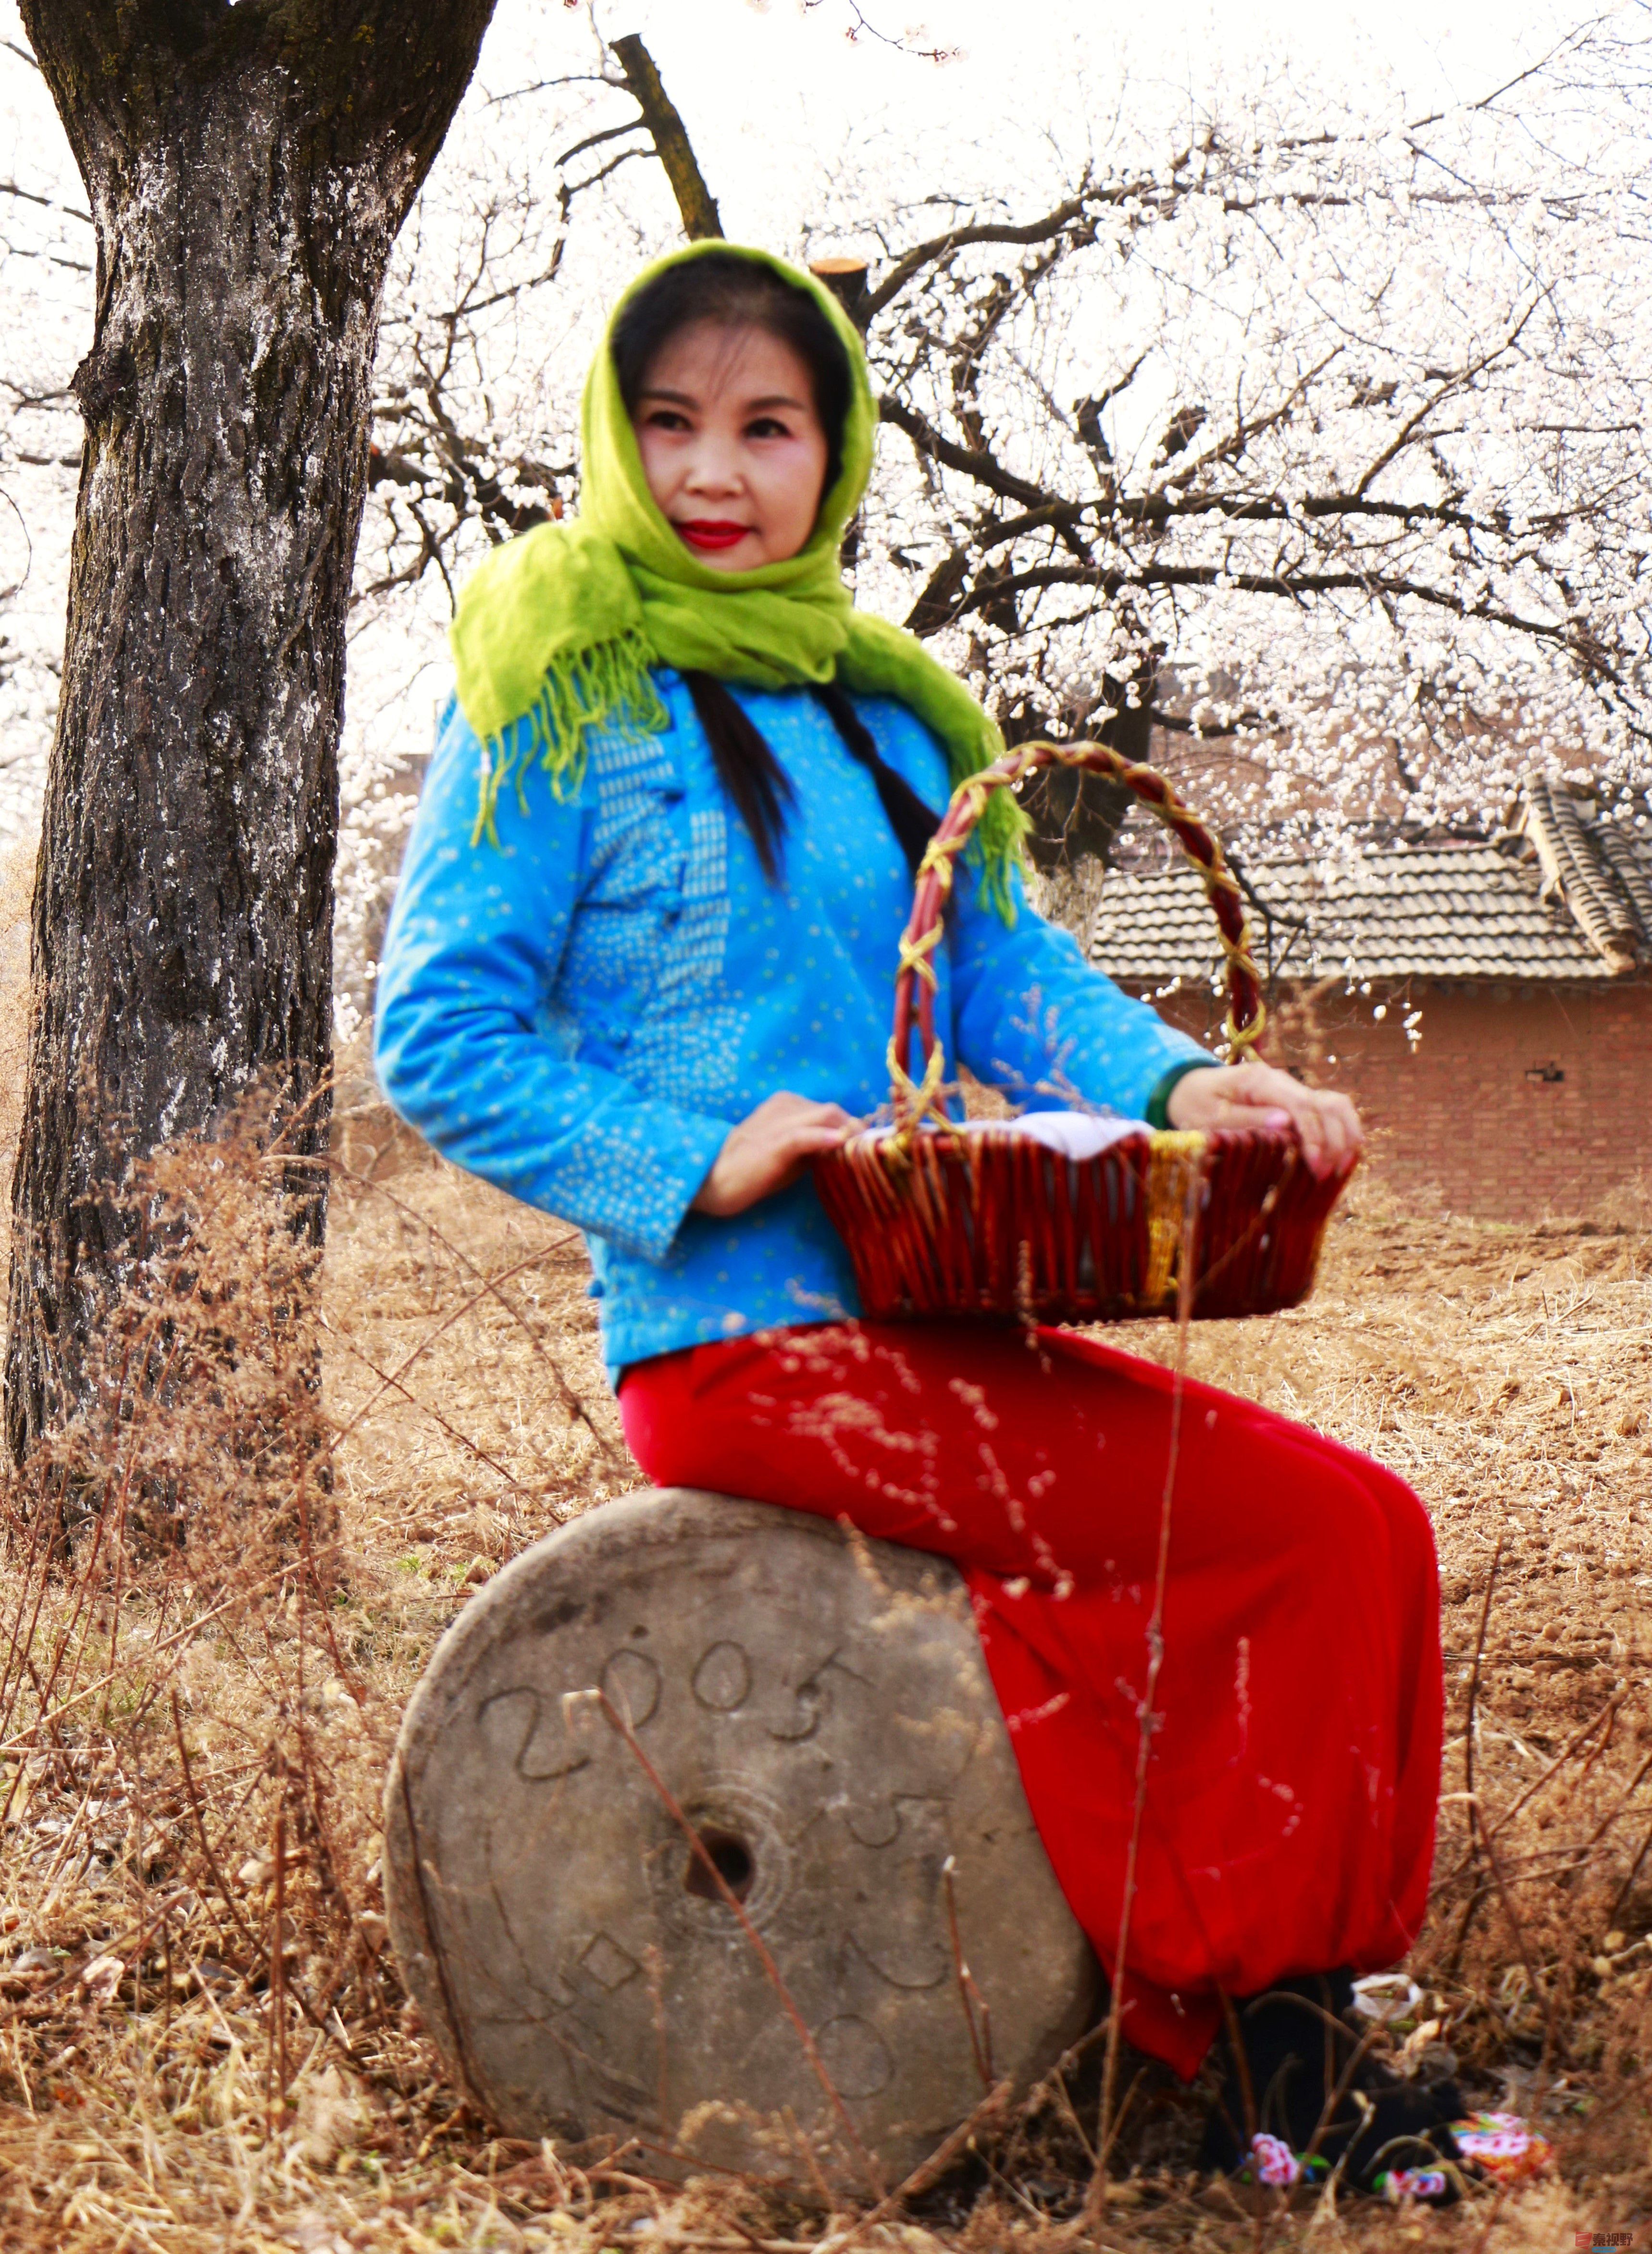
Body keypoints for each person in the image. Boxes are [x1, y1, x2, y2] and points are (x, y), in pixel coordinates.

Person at [375, 242, 1468, 2197]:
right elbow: (439, 1034)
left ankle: (1245, 2020)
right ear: (612, 449)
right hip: (745, 1351)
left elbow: (1007, 996)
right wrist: (694, 1153)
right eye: (670, 424)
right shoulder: (550, 689)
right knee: (1314, 1535)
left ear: (834, 453)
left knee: (1352, 1531)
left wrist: (1183, 1086)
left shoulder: (891, 721)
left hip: (930, 1317)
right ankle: (1276, 2078)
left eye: (766, 428)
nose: (716, 470)